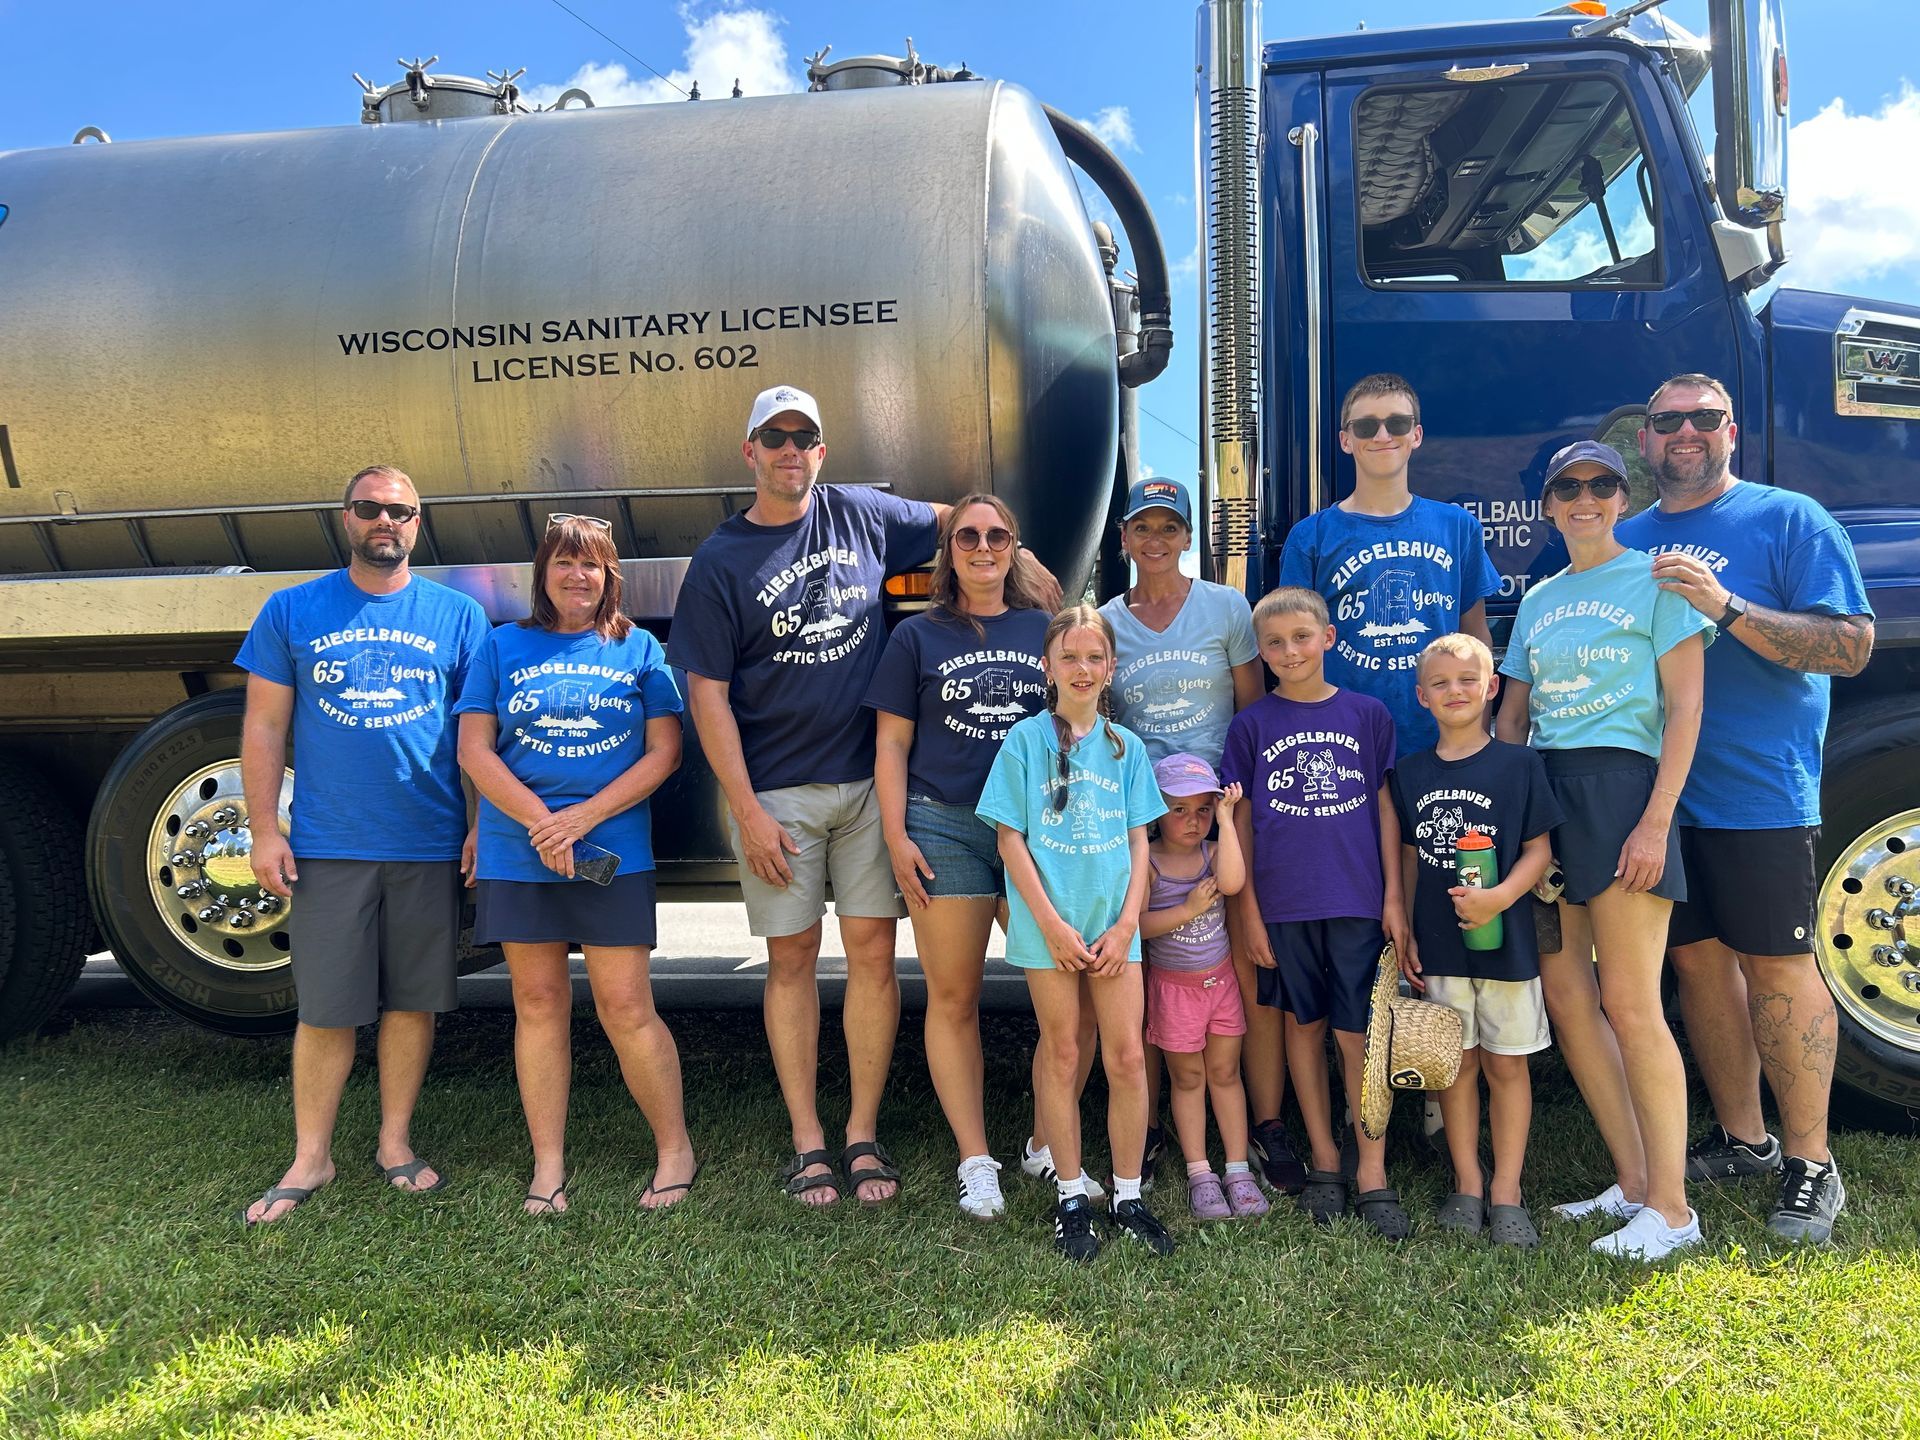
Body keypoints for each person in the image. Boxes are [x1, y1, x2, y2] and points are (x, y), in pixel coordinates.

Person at [670, 384, 944, 1207]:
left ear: (823, 452)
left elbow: (968, 519)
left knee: (872, 958)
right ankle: (807, 1138)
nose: (791, 450)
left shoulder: (861, 514)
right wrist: (746, 809)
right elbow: (706, 693)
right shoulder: (721, 560)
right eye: (774, 436)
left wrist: (1026, 557)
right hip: (777, 795)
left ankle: (861, 1131)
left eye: (806, 437)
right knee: (790, 960)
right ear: (749, 451)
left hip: (867, 787)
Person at [1619, 372, 1872, 1244]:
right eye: (1666, 422)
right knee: (1695, 968)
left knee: (1776, 967)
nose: (1684, 434)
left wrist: (1725, 607)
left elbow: (1849, 646)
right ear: (1643, 438)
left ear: (1732, 429)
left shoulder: (1789, 518)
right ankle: (1746, 1140)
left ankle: (1812, 1163)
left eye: (1702, 419)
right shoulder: (1625, 538)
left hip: (1760, 790)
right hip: (1660, 800)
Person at [237, 464, 489, 1225]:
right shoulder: (291, 610)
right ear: (345, 518)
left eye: (401, 512)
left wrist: (480, 824)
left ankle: (394, 1142)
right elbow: (263, 727)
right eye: (371, 509)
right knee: (327, 1008)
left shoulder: (459, 616)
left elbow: (473, 734)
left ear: (419, 522)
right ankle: (311, 1156)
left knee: (412, 1001)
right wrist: (262, 829)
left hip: (427, 840)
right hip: (329, 844)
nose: (387, 522)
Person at [1496, 440, 1712, 1260]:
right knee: (1568, 999)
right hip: (1549, 799)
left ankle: (1674, 1208)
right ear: (1548, 505)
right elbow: (1513, 721)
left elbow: (1685, 710)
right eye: (1567, 487)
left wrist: (1657, 821)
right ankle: (1632, 1184)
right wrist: (1520, 824)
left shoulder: (1657, 582)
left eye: (1601, 485)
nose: (1584, 498)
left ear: (1623, 497)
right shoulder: (1542, 598)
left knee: (1630, 1001)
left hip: (1624, 794)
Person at [455, 514, 695, 1214]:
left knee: (625, 1005)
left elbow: (665, 753)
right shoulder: (501, 648)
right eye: (563, 562)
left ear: (609, 576)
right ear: (543, 574)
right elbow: (475, 750)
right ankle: (548, 1165)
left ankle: (675, 1149)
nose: (576, 575)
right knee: (537, 1004)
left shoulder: (640, 648)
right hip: (519, 850)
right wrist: (544, 825)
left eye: (590, 564)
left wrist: (581, 820)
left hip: (610, 851)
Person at [1095, 478, 1299, 1195]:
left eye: (1169, 528)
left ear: (1188, 538)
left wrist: (1239, 811)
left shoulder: (1225, 607)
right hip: (1144, 822)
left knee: (1241, 960)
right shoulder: (1108, 621)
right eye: (1142, 528)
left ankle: (1261, 1126)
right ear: (1124, 537)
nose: (1155, 540)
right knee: (1149, 970)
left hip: (1219, 810)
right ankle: (1150, 1126)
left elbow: (1251, 712)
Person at [864, 494, 1053, 1219]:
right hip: (943, 826)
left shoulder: (1046, 630)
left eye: (996, 534)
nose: (982, 546)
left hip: (1037, 833)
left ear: (1012, 546)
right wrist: (895, 834)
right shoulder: (917, 637)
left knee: (1060, 999)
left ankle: (1045, 1141)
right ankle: (977, 1160)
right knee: (953, 998)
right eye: (968, 535)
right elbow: (891, 744)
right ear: (950, 551)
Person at [977, 605, 1175, 1260]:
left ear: (1111, 667)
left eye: (1094, 657)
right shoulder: (1026, 742)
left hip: (1115, 931)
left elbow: (1140, 843)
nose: (1082, 669)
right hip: (1049, 929)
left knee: (1124, 1057)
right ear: (1048, 667)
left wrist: (1125, 926)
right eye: (1070, 657)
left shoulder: (1126, 748)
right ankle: (1069, 1197)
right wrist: (1053, 926)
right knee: (1061, 1055)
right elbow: (1010, 840)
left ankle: (1126, 1194)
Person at [1222, 586, 1410, 1239]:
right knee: (1304, 1028)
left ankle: (1373, 1170)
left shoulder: (1366, 715)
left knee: (1359, 1035)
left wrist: (1392, 896)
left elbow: (1387, 810)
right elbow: (1240, 822)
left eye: (1301, 637)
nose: (1288, 651)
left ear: (1328, 638)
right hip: (1282, 904)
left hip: (1356, 899)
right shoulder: (1251, 726)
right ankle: (1326, 1160)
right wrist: (1246, 911)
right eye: (1273, 643)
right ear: (1261, 653)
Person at [1391, 634, 1562, 1247]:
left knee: (1506, 1066)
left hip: (1507, 943)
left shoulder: (1520, 765)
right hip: (1440, 945)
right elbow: (1411, 859)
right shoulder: (1410, 774)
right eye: (1440, 683)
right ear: (1421, 697)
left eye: (1468, 680)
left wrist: (1499, 897)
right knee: (1455, 1066)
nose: (1454, 691)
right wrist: (1407, 925)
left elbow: (1539, 851)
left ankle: (1508, 1189)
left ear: (1492, 687)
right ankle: (1467, 1180)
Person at [1278, 373, 1501, 760]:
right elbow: (1293, 652)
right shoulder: (1310, 537)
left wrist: (1478, 743)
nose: (1382, 436)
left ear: (1416, 435)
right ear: (1346, 440)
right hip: (1342, 747)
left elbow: (1475, 636)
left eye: (1396, 423)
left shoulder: (1458, 527)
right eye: (1366, 426)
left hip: (1441, 746)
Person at [1139, 753, 1268, 1221]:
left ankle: (1237, 1170)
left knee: (1226, 1075)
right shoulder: (1149, 862)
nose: (1193, 821)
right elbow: (1136, 926)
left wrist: (1228, 822)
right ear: (1157, 811)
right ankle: (1200, 1174)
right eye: (1179, 809)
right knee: (1188, 1078)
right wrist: (1189, 909)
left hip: (1221, 986)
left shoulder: (1213, 854)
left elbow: (1233, 883)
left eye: (1203, 809)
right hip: (1174, 991)